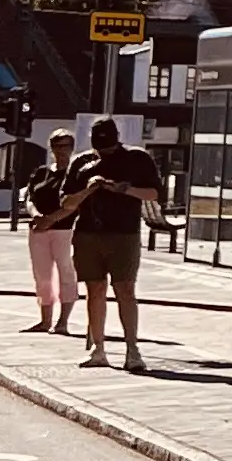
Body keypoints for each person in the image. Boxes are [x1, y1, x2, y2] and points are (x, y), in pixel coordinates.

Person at [58, 119, 167, 369]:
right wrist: (88, 189)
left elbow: (154, 193)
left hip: (124, 234)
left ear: (117, 138)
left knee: (125, 289)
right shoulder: (81, 162)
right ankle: (98, 349)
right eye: (99, 147)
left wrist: (122, 189)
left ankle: (132, 350)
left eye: (108, 147)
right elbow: (66, 203)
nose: (104, 152)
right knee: (95, 290)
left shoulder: (136, 158)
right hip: (88, 234)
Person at [12, 141, 74, 334]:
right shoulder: (41, 172)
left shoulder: (74, 174)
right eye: (56, 145)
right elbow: (29, 197)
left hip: (65, 229)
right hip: (38, 229)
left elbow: (75, 203)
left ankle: (63, 322)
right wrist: (36, 215)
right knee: (42, 275)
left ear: (71, 148)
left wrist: (51, 219)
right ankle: (45, 320)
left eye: (65, 145)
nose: (60, 150)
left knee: (66, 273)